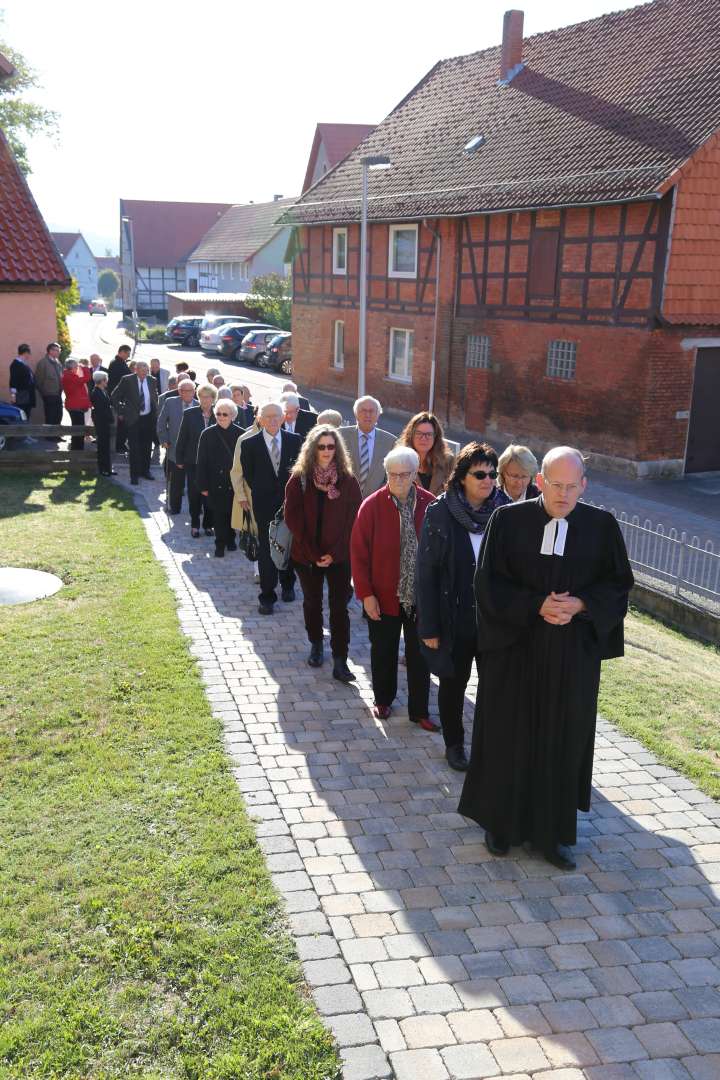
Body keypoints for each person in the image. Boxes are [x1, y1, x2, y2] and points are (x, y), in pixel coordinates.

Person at [458, 446, 634, 871]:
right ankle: (501, 825)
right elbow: (487, 584)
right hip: (516, 652)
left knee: (561, 739)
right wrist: (536, 605)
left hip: (570, 659)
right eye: (556, 485)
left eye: (573, 487)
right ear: (540, 482)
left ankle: (552, 835)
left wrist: (582, 606)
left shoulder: (601, 526)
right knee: (508, 736)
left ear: (584, 486)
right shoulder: (509, 521)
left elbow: (619, 585)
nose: (564, 495)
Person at [416, 443, 511, 772]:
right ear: (461, 478)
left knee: (494, 688)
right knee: (453, 684)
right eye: (480, 474)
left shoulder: (505, 511)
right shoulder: (440, 512)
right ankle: (454, 745)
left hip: (494, 621)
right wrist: (428, 627)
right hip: (453, 618)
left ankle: (488, 745)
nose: (488, 480)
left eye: (492, 474)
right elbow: (426, 572)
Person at [350, 446, 437, 730]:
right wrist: (366, 595)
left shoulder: (430, 504)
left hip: (420, 597)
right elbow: (358, 554)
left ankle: (420, 710)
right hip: (383, 595)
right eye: (392, 475)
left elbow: (440, 553)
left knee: (420, 655)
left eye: (404, 475)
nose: (398, 480)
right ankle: (383, 699)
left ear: (415, 474)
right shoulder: (372, 505)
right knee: (383, 650)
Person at [284, 425, 362, 682]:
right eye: (321, 446)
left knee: (339, 607)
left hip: (339, 556)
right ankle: (316, 644)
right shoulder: (299, 479)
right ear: (312, 449)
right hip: (306, 554)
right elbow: (292, 518)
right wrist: (315, 552)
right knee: (312, 602)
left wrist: (335, 552)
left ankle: (340, 660)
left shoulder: (347, 481)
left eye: (331, 446)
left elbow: (354, 519)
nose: (327, 451)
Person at [239, 402, 302, 614]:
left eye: (277, 416)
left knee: (287, 543)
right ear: (260, 419)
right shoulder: (250, 444)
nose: (273, 420)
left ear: (283, 418)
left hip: (289, 502)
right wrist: (262, 488)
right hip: (263, 504)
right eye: (268, 416)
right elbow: (248, 474)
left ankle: (287, 585)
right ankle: (267, 596)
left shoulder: (295, 440)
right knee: (267, 548)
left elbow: (300, 471)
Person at [196, 400, 245, 557]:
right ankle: (220, 544)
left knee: (232, 513)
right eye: (218, 414)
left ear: (232, 415)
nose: (221, 417)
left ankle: (231, 540)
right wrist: (202, 485)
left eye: (225, 414)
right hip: (214, 483)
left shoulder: (241, 434)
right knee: (218, 515)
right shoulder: (207, 434)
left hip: (234, 483)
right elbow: (201, 461)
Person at [176, 384, 217, 538]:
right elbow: (182, 438)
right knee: (194, 495)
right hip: (193, 462)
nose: (204, 400)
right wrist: (179, 458)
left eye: (208, 397)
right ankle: (194, 524)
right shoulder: (189, 414)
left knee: (209, 496)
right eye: (202, 397)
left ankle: (208, 524)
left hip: (213, 464)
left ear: (213, 399)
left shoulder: (219, 415)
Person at [111, 360, 158, 484]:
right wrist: (122, 412)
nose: (144, 373)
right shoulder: (127, 380)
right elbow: (115, 396)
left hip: (148, 418)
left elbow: (154, 397)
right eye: (141, 370)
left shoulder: (152, 380)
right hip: (133, 419)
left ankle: (145, 471)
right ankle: (134, 475)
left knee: (147, 447)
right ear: (135, 370)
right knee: (135, 448)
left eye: (146, 370)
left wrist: (156, 412)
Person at [340, 396, 396, 499]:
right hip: (344, 499)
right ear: (356, 414)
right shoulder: (340, 435)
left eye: (372, 411)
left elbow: (391, 475)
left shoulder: (391, 441)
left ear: (378, 414)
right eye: (363, 410)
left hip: (375, 502)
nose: (367, 414)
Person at [157, 379, 198, 513]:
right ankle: (175, 507)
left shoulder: (199, 405)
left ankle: (197, 507)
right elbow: (161, 423)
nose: (188, 394)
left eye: (191, 391)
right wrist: (164, 439)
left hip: (193, 451)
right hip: (174, 448)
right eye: (185, 391)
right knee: (176, 482)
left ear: (194, 391)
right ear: (180, 391)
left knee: (195, 482)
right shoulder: (171, 402)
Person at [397, 411, 454, 495]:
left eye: (428, 434)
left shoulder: (447, 462)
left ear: (436, 437)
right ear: (411, 435)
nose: (423, 438)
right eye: (418, 433)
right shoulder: (399, 461)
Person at [61, 358, 92, 450]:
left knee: (78, 428)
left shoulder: (69, 375)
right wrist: (85, 368)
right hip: (75, 406)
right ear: (73, 367)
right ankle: (77, 449)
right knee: (78, 429)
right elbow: (87, 378)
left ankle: (77, 448)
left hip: (75, 405)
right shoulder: (69, 376)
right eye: (76, 367)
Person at [107, 345, 132, 452]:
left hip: (119, 396)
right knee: (121, 423)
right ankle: (119, 445)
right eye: (127, 353)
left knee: (122, 423)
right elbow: (122, 379)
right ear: (122, 352)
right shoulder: (117, 363)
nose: (128, 356)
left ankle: (120, 444)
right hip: (118, 398)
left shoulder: (119, 362)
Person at [90, 370, 115, 476]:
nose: (107, 382)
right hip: (101, 422)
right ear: (102, 381)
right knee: (102, 446)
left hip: (105, 422)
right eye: (106, 380)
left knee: (106, 445)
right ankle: (102, 469)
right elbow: (101, 409)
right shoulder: (96, 392)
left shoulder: (102, 391)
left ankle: (108, 468)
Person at [34, 342, 64, 428]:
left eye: (59, 351)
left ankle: (56, 434)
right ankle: (49, 436)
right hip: (49, 395)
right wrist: (44, 393)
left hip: (58, 394)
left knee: (58, 415)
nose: (59, 352)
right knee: (50, 416)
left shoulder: (58, 363)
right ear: (50, 351)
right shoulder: (43, 363)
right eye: (57, 350)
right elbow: (38, 380)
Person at [9, 344, 36, 419]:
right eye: (29, 353)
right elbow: (13, 380)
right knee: (22, 415)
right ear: (25, 353)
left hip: (28, 394)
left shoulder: (24, 364)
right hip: (22, 395)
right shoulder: (15, 364)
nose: (29, 355)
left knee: (27, 414)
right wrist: (13, 395)